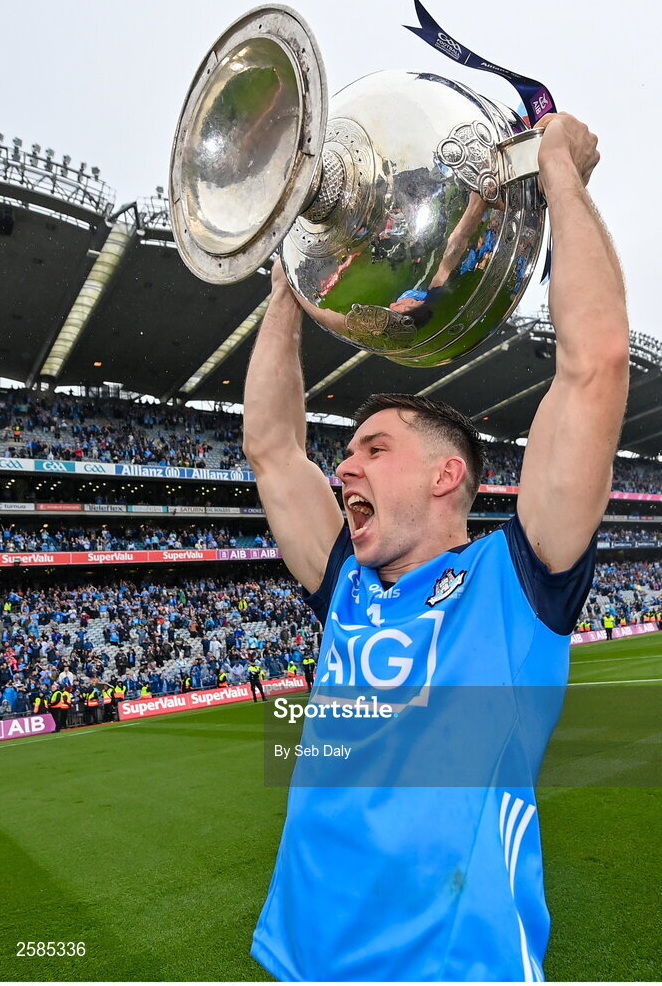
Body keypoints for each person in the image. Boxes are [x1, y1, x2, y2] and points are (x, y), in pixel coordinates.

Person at [242, 114, 629, 981]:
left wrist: (561, 174)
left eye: (374, 449)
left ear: (448, 476)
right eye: (346, 455)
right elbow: (271, 446)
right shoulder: (345, 583)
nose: (345, 469)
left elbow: (595, 364)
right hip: (299, 961)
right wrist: (286, 292)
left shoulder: (518, 584)